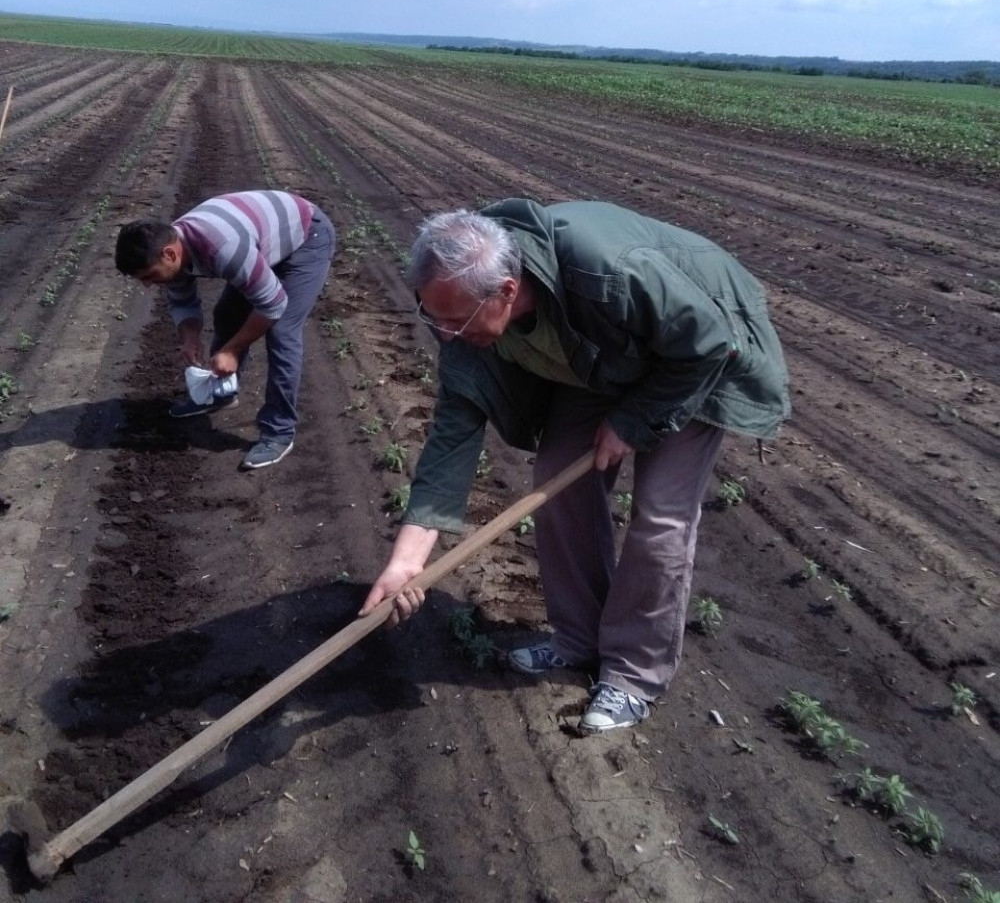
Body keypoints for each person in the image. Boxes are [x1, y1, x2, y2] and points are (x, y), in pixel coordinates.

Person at [361, 199, 790, 734]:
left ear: (507, 292)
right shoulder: (465, 321)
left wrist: (633, 421)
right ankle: (579, 641)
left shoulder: (607, 271)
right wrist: (407, 561)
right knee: (558, 481)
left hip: (696, 356)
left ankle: (633, 674)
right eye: (434, 316)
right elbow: (451, 440)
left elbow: (706, 343)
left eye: (456, 320)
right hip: (601, 356)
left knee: (660, 517)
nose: (445, 334)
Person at [115, 190, 336, 471]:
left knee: (281, 331)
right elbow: (183, 300)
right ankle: (221, 393)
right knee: (228, 314)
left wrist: (232, 349)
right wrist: (190, 337)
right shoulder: (172, 251)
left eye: (149, 276)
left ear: (169, 253)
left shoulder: (224, 248)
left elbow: (273, 304)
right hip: (261, 239)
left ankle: (279, 432)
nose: (147, 285)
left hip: (306, 238)